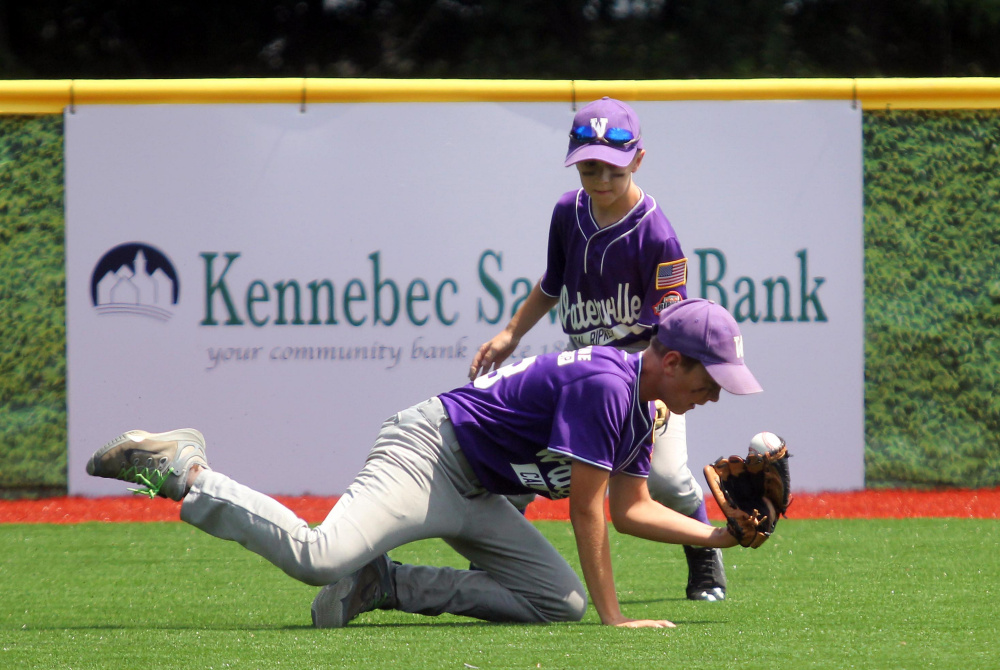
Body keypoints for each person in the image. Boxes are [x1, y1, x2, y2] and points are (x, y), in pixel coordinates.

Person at [87, 299, 762, 629]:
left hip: (481, 492)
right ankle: (178, 470)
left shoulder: (645, 407)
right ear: (671, 360)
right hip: (430, 453)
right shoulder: (610, 385)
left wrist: (717, 537)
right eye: (711, 380)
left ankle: (387, 586)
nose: (714, 395)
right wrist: (617, 621)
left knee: (556, 604)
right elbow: (588, 511)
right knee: (318, 557)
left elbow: (629, 508)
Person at [469, 97, 726, 600]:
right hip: (583, 377)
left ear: (637, 159)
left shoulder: (657, 234)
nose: (601, 178)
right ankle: (491, 562)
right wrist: (512, 333)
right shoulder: (568, 211)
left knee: (669, 479)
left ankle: (704, 556)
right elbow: (553, 282)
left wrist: (653, 401)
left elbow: (669, 332)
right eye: (589, 167)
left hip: (647, 378)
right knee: (524, 469)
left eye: (612, 166)